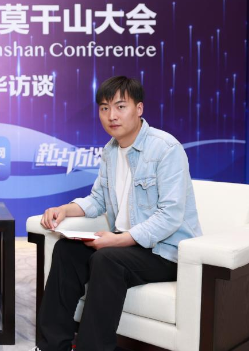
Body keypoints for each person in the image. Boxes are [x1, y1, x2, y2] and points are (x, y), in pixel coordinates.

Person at [35, 76, 202, 351]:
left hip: (165, 252)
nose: (111, 115)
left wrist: (117, 240)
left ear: (139, 108)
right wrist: (64, 210)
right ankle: (51, 346)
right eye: (104, 108)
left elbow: (170, 215)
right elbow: (98, 199)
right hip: (126, 246)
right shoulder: (110, 151)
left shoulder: (166, 148)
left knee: (107, 259)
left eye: (120, 106)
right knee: (67, 251)